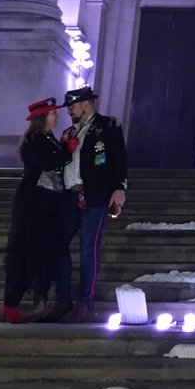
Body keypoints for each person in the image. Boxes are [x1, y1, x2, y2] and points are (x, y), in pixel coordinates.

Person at [40, 85, 128, 323]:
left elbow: (119, 159)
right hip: (69, 195)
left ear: (86, 103)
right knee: (58, 244)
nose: (69, 111)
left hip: (95, 196)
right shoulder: (69, 131)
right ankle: (62, 299)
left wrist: (120, 188)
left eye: (72, 106)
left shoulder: (108, 126)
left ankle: (84, 302)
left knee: (88, 249)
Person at [1, 97, 69, 323]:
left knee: (40, 253)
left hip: (47, 202)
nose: (56, 117)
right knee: (27, 252)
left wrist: (62, 147)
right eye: (53, 113)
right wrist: (67, 150)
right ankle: (11, 303)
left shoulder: (46, 138)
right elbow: (49, 164)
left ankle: (13, 302)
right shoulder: (35, 138)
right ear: (43, 117)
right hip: (35, 203)